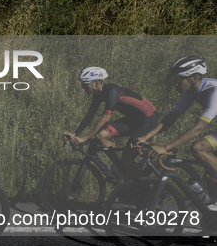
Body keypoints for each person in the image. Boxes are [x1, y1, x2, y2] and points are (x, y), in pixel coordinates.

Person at [137, 56, 217, 210]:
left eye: (179, 80)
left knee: (199, 147)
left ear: (194, 77)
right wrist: (145, 137)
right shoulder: (190, 92)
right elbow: (170, 118)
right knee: (211, 176)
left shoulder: (214, 90)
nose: (175, 83)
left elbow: (199, 128)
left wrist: (165, 147)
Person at [63, 67, 159, 178]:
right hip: (133, 120)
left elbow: (105, 119)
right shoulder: (98, 94)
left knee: (127, 159)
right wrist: (75, 134)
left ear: (97, 82)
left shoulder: (112, 92)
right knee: (101, 136)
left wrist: (84, 138)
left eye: (85, 84)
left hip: (147, 121)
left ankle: (145, 189)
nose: (83, 88)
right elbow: (89, 115)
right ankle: (121, 168)